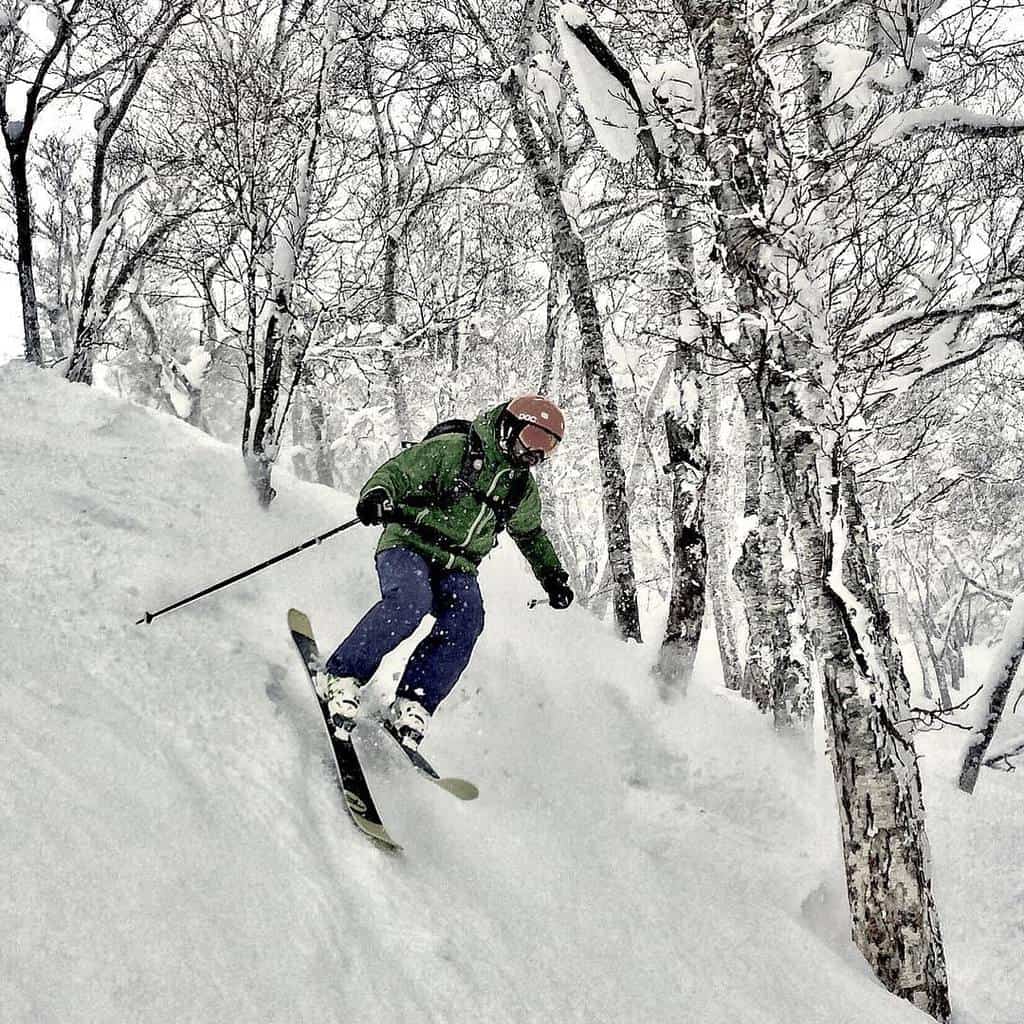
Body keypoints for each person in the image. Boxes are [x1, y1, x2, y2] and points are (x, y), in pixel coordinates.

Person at [317, 395, 574, 751]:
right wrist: (377, 495)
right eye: (533, 439)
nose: (536, 454)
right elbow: (398, 473)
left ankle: (414, 700)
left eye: (547, 448)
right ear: (509, 426)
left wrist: (552, 576)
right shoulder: (454, 450)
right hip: (409, 542)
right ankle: (342, 675)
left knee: (468, 619)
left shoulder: (521, 489)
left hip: (458, 565)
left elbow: (530, 534)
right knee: (411, 601)